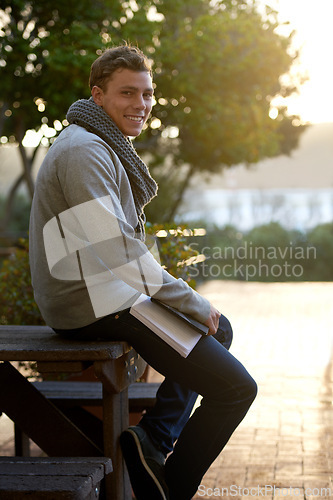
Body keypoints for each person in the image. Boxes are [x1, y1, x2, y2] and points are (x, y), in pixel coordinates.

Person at [29, 44, 257, 500]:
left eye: (147, 94)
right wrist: (189, 299)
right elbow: (116, 249)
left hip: (106, 291)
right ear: (97, 96)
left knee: (220, 330)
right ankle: (169, 486)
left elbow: (121, 248)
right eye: (127, 93)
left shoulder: (102, 145)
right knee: (236, 388)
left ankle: (153, 437)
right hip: (91, 301)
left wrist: (183, 300)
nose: (141, 104)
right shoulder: (82, 151)